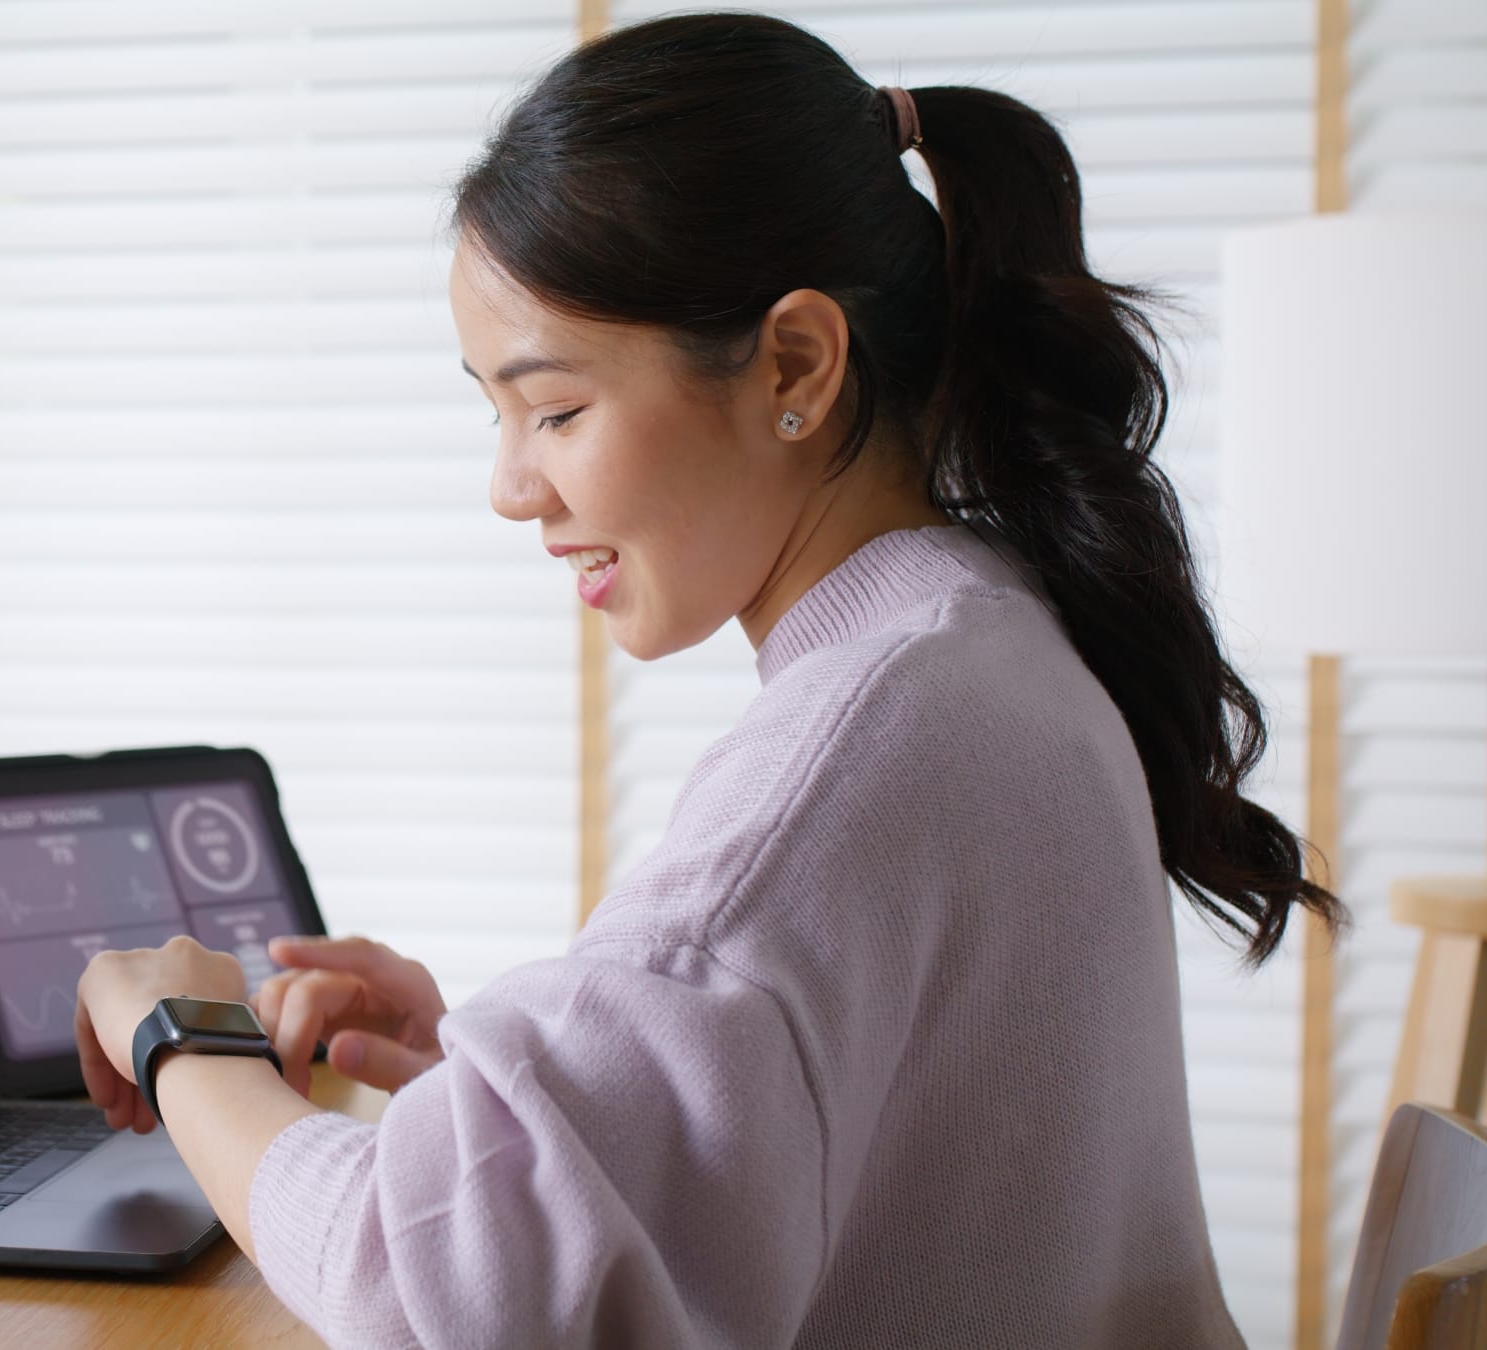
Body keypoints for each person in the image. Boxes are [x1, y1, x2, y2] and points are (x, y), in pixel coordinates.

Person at [67, 13, 1341, 1348]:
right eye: (495, 413)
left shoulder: (852, 751)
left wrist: (184, 1038)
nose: (510, 488)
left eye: (556, 410)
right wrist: (534, 1113)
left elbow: (441, 1295)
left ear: (795, 364)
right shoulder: (988, 636)